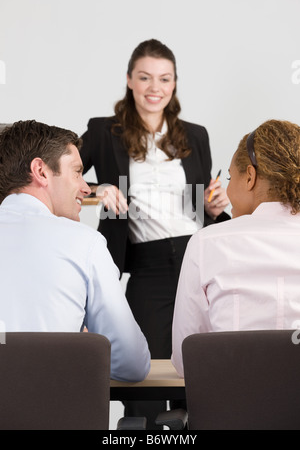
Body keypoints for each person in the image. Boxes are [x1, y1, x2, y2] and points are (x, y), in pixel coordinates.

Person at [80, 39, 230, 428]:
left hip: (198, 257)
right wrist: (98, 190)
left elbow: (200, 206)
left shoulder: (195, 135)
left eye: (164, 78)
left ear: (175, 83)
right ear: (129, 80)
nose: (154, 87)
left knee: (200, 364)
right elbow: (61, 175)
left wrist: (213, 208)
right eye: (145, 77)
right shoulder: (102, 131)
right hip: (147, 266)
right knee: (144, 371)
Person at [0, 120, 150, 382]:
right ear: (41, 171)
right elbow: (131, 364)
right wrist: (85, 343)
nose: (85, 187)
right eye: (77, 172)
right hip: (51, 414)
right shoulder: (84, 243)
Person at [172, 119, 300, 377]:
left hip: (232, 414)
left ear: (250, 177)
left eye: (230, 177)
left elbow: (187, 360)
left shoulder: (207, 243)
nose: (227, 188)